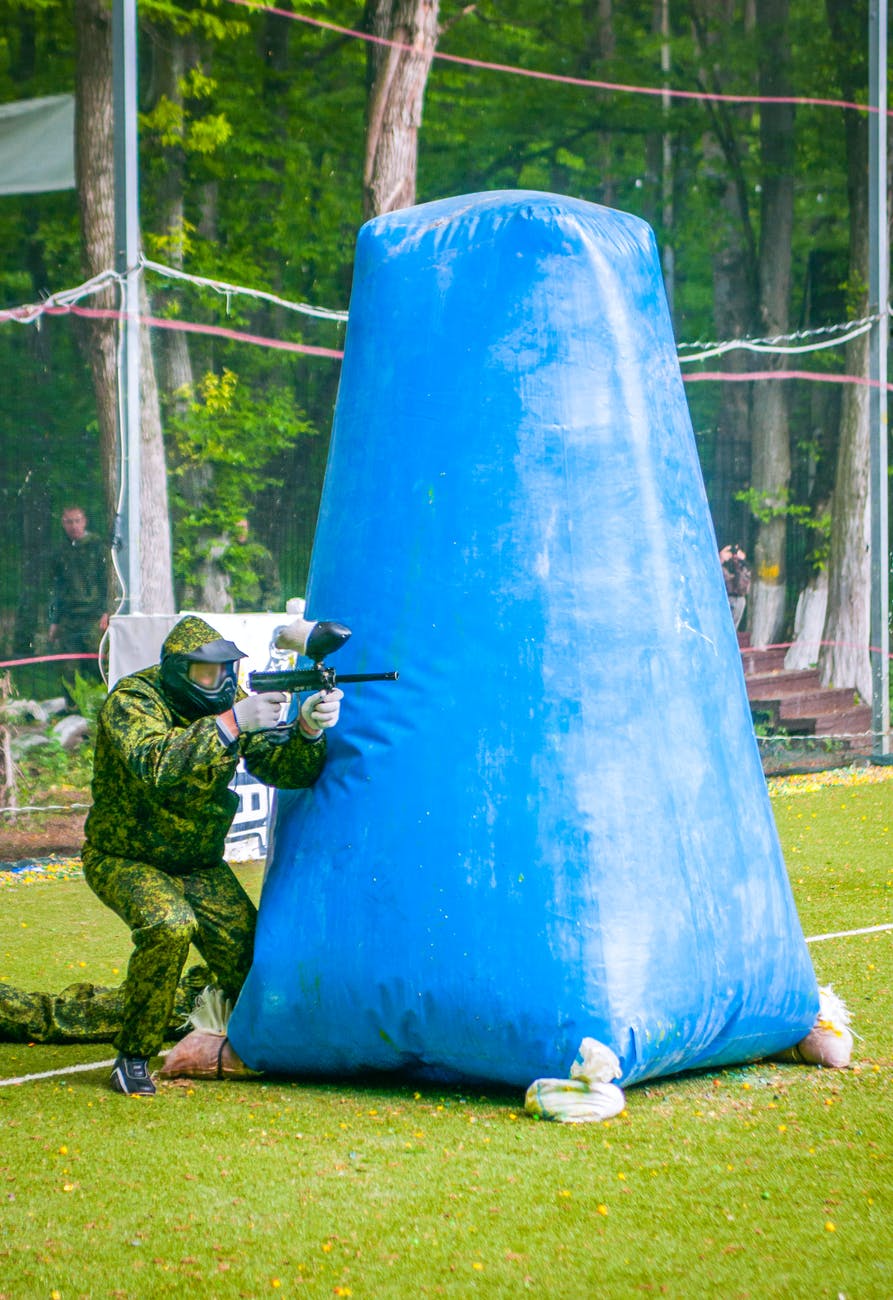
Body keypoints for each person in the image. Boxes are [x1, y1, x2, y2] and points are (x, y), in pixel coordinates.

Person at [0, 614, 342, 1097]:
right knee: (169, 925)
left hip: (197, 864)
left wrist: (307, 730)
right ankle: (132, 1057)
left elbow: (284, 771)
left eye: (226, 672)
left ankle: (172, 1003)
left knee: (256, 963)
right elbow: (156, 763)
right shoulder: (133, 700)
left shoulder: (232, 704)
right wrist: (231, 723)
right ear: (179, 670)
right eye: (207, 673)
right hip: (125, 858)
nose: (220, 683)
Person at [48, 505, 109, 655]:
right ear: (63, 523)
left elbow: (106, 581)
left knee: (95, 665)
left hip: (94, 616)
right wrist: (55, 621)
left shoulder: (97, 546)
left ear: (84, 522)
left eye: (77, 521)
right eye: (69, 522)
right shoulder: (61, 551)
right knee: (69, 669)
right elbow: (58, 587)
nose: (74, 526)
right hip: (69, 619)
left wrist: (106, 612)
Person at [222, 517, 282, 612]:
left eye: (244, 528)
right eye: (237, 528)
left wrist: (268, 609)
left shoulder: (258, 553)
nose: (241, 532)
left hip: (253, 611)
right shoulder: (224, 553)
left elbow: (272, 587)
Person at [719, 543, 751, 630]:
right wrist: (720, 559)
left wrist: (740, 563)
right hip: (722, 599)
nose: (733, 554)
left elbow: (741, 588)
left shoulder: (743, 566)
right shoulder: (719, 565)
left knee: (731, 629)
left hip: (737, 599)